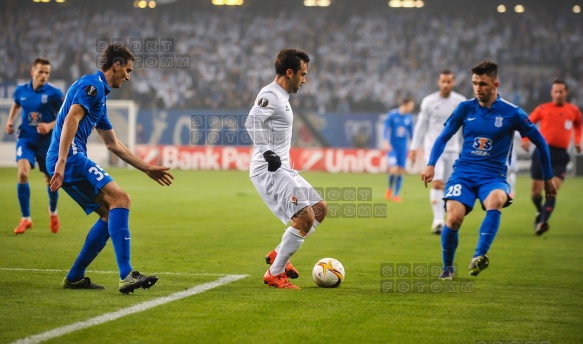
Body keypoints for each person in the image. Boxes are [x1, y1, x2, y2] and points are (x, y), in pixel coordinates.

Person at [47, 44, 174, 293]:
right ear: (115, 65)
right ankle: (126, 274)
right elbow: (72, 118)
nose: (128, 76)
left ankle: (74, 277)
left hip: (69, 157)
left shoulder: (100, 97)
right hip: (70, 156)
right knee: (121, 198)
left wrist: (147, 168)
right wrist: (62, 162)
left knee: (109, 213)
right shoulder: (92, 86)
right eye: (127, 70)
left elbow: (112, 144)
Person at [421, 61, 556, 280]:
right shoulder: (465, 108)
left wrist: (548, 177)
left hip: (493, 176)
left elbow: (540, 142)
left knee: (496, 201)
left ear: (495, 84)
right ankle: (448, 268)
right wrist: (431, 163)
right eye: (474, 83)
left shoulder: (512, 113)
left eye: (482, 84)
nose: (477, 89)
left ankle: (478, 256)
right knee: (454, 219)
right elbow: (443, 136)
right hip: (463, 173)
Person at [244, 48, 328, 290]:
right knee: (305, 217)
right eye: (302, 74)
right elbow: (252, 121)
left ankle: (278, 254)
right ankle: (275, 272)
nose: (305, 79)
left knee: (319, 209)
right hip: (268, 169)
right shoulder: (271, 94)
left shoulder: (282, 97)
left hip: (284, 168)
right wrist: (267, 152)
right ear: (289, 72)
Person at [5, 58, 64, 235]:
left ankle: (53, 213)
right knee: (22, 173)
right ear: (33, 72)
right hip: (26, 139)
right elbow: (16, 104)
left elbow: (65, 116)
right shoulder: (21, 90)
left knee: (51, 181)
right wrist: (9, 122)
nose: (44, 75)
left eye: (47, 72)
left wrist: (49, 125)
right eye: (41, 72)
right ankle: (26, 219)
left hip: (46, 143)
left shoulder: (55, 93)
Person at [521, 79, 582, 236]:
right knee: (535, 193)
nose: (558, 94)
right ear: (551, 92)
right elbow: (526, 123)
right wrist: (525, 139)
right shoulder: (543, 108)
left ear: (566, 92)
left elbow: (579, 125)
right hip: (542, 152)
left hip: (560, 156)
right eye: (555, 91)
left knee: (551, 190)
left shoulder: (573, 111)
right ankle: (539, 212)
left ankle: (542, 222)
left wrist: (577, 141)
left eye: (561, 91)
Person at [410, 70, 466, 234]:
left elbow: (465, 129)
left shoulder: (460, 102)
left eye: (449, 82)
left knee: (450, 186)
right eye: (443, 81)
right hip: (433, 149)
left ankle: (448, 219)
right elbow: (421, 126)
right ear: (438, 82)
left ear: (453, 82)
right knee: (436, 182)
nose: (446, 85)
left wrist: (465, 149)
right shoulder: (429, 101)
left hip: (453, 150)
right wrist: (414, 147)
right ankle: (438, 221)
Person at [382, 97, 414, 202]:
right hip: (392, 147)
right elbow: (386, 128)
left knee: (400, 171)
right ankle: (389, 188)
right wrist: (386, 141)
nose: (412, 108)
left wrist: (414, 146)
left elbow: (412, 134)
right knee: (393, 170)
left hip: (403, 148)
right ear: (404, 104)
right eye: (410, 106)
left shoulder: (409, 118)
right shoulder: (392, 115)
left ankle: (396, 195)